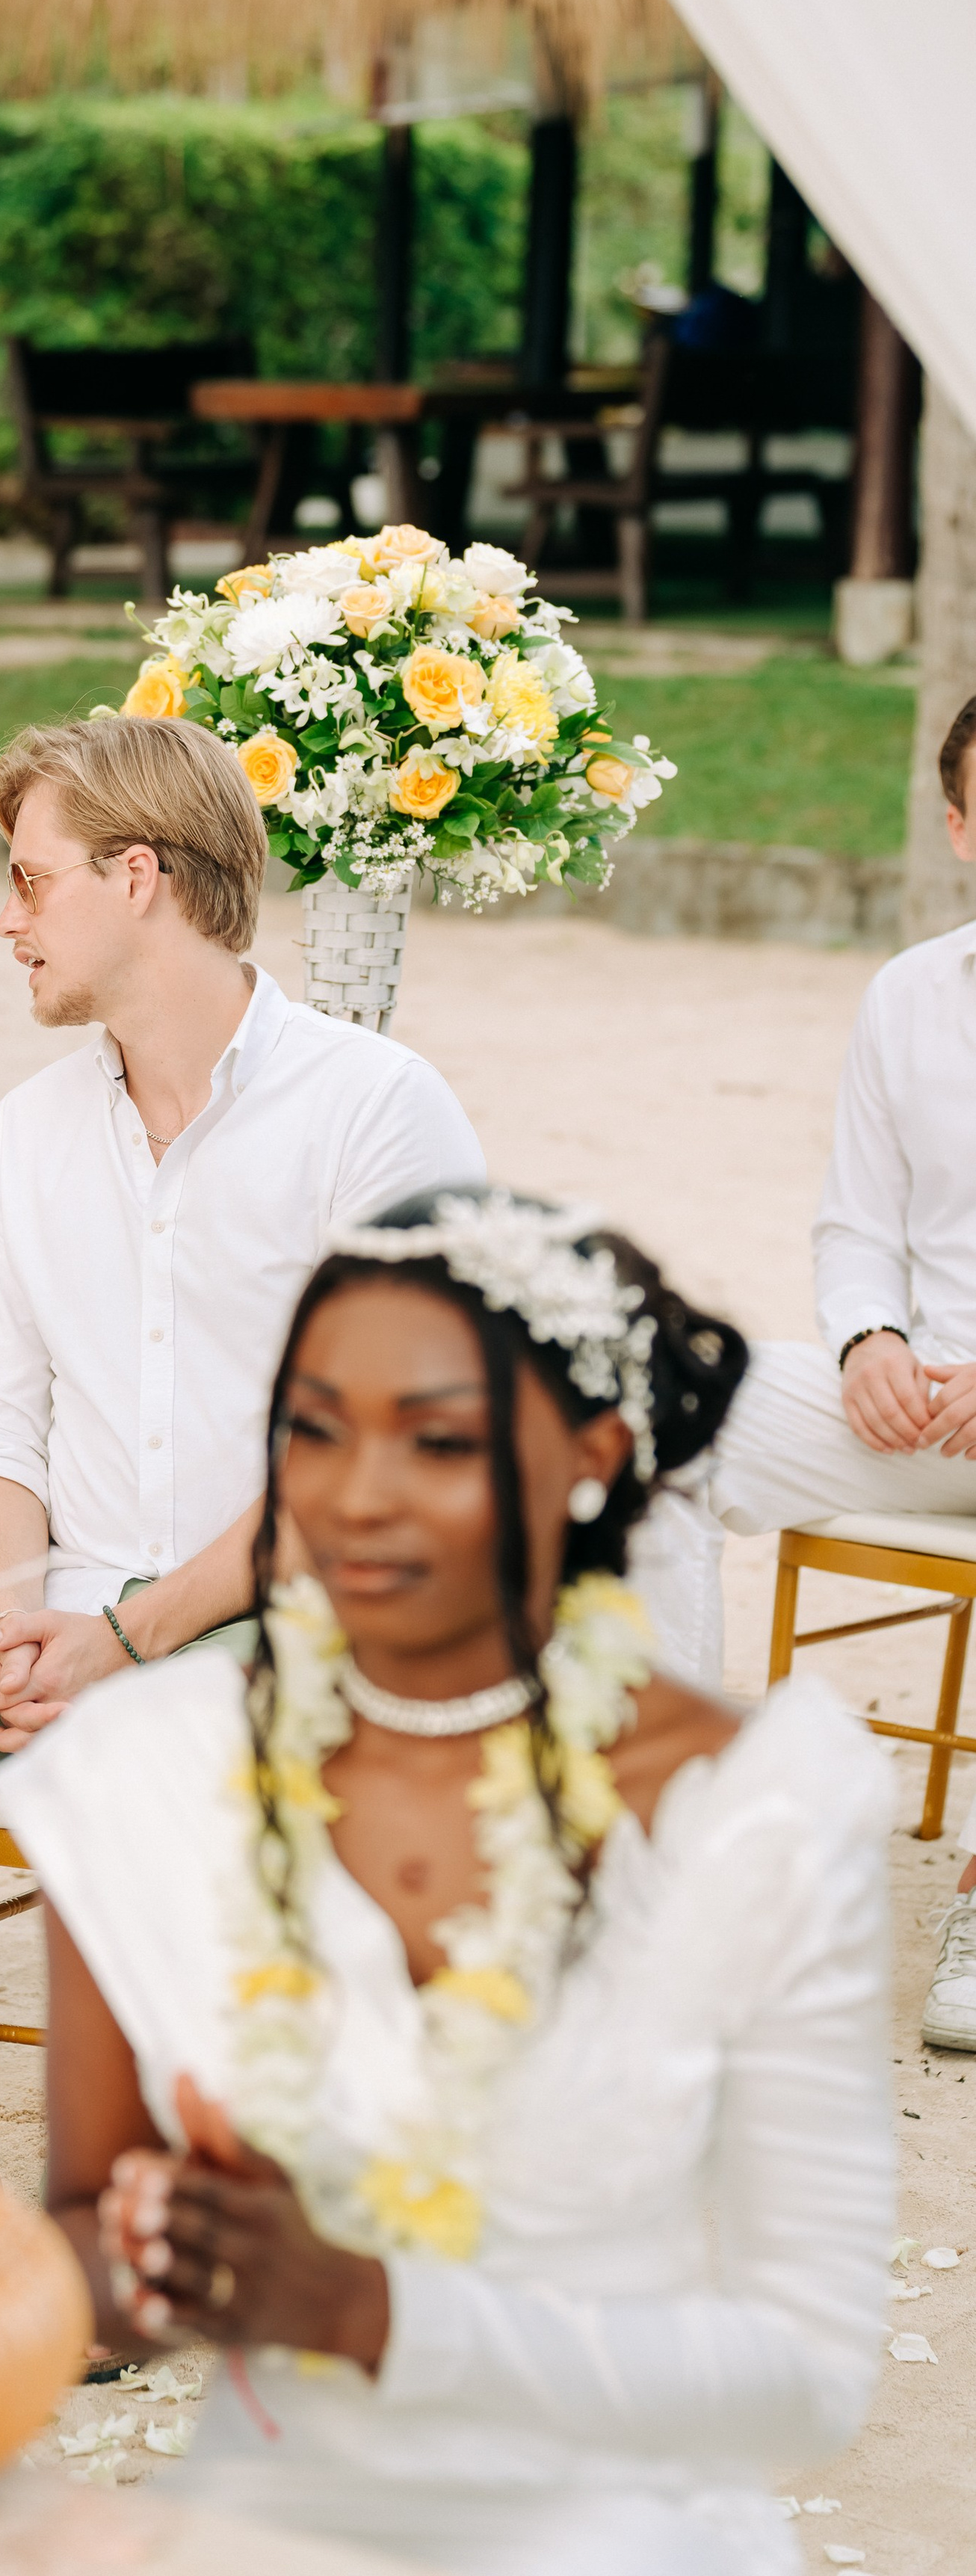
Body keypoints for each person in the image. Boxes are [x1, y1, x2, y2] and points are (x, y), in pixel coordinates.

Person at [0, 1189, 892, 2576]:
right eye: (312, 1428)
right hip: (272, 2526)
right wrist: (147, 2264)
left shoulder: (756, 1803)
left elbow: (808, 2370)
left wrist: (372, 2315)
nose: (355, 1495)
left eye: (440, 1442)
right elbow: (90, 2255)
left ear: (592, 1454)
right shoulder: (147, 1774)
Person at [0, 715, 483, 1811]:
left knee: (167, 1774)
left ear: (136, 877)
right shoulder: (30, 1129)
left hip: (308, 1625)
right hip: (56, 1612)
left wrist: (127, 1639)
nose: (4, 920)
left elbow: (384, 1461)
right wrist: (18, 1631)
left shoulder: (375, 1110)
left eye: (29, 881)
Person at [644, 697, 976, 2046]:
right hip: (911, 1406)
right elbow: (856, 1224)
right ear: (960, 829)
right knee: (654, 1422)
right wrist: (868, 1339)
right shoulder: (910, 996)